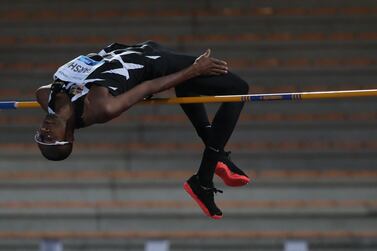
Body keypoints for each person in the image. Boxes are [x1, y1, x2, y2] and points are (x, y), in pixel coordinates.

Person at [35, 41, 250, 219]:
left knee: (186, 80)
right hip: (150, 65)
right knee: (237, 88)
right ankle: (204, 178)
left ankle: (217, 158)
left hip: (129, 50)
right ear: (70, 136)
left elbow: (65, 83)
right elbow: (148, 87)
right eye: (50, 138)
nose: (45, 130)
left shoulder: (45, 97)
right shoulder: (101, 108)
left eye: (41, 136)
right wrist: (195, 70)